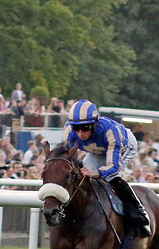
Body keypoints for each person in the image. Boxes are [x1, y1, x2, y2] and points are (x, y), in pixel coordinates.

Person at [63, 99, 151, 237]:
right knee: (81, 176)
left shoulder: (110, 131)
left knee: (111, 177)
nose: (80, 133)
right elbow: (65, 158)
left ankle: (138, 211)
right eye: (76, 128)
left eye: (85, 127)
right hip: (97, 150)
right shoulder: (69, 131)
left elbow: (113, 167)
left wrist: (96, 172)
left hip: (124, 145)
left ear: (94, 123)